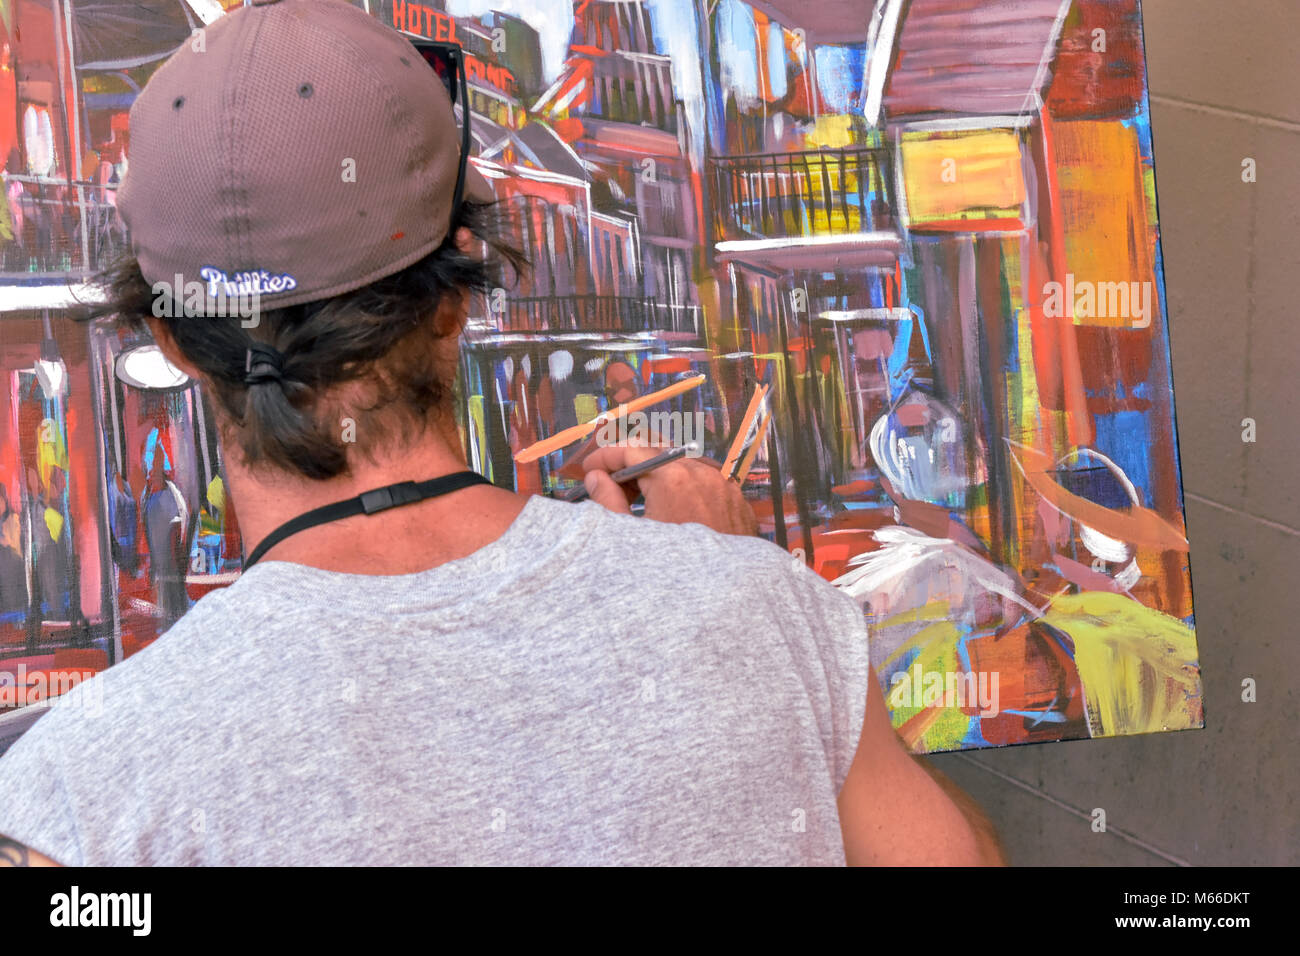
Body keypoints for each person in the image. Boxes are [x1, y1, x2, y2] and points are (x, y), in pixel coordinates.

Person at [0, 0, 1002, 866]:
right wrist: (731, 588)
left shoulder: (81, 798)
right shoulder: (763, 614)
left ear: (172, 337)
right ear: (455, 295)